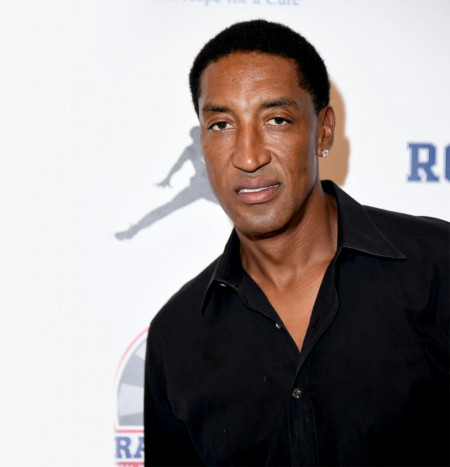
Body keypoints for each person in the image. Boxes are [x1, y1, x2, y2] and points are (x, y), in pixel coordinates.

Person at [144, 20, 449, 466]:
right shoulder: (176, 336)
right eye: (222, 125)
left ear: (323, 131)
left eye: (276, 120)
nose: (248, 157)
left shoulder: (438, 268)